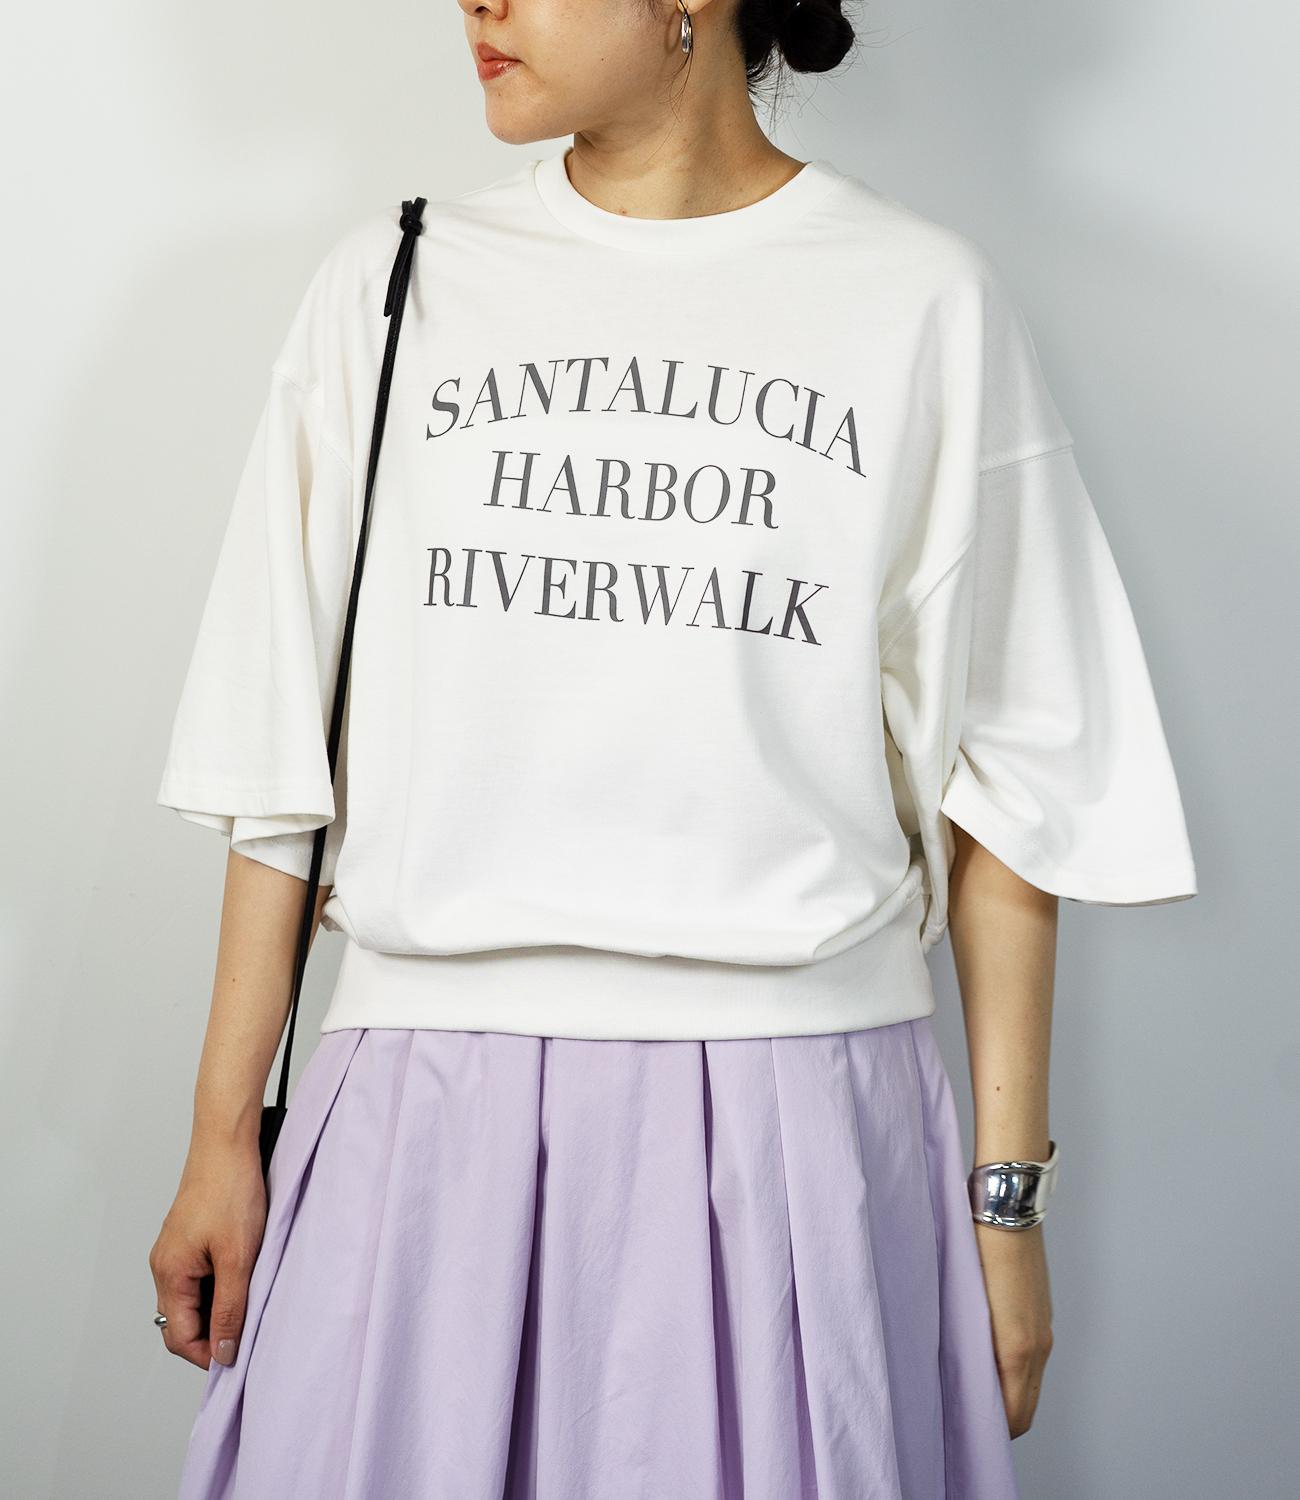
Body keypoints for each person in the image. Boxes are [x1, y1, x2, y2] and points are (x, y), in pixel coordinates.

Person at [148, 0, 1199, 1495]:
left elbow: (1017, 790)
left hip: (797, 1124)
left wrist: (1007, 1211)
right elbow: (278, 760)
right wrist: (220, 1140)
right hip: (425, 1115)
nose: (476, 4)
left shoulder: (921, 302)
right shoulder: (392, 283)